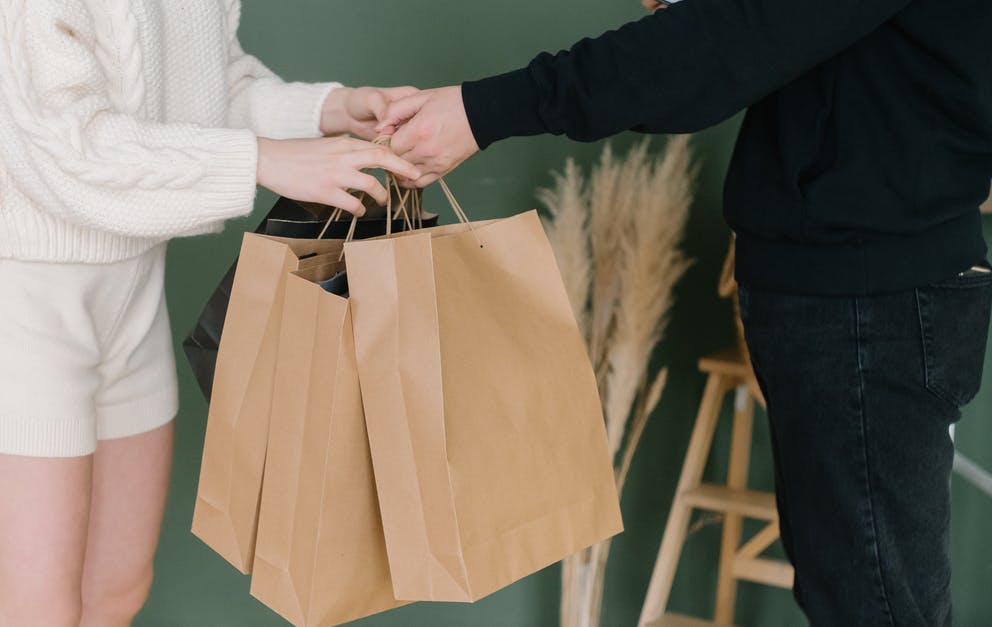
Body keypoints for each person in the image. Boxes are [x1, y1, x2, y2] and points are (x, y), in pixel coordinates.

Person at [380, 0, 992, 624]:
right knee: (858, 599)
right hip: (855, 294)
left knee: (873, 608)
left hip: (869, 303)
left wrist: (482, 111)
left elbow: (730, 44)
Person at [0, 0, 420, 625]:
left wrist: (328, 109)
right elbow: (66, 150)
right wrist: (263, 159)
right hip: (19, 300)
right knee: (38, 612)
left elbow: (203, 94)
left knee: (119, 591)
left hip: (133, 293)